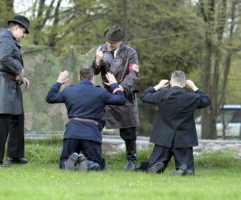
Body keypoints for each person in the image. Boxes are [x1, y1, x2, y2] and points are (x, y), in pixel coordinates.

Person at [46, 68, 126, 171]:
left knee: (63, 162)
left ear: (79, 77)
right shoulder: (101, 92)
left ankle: (68, 162)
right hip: (91, 134)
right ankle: (89, 164)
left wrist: (58, 82)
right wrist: (114, 84)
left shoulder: (69, 91)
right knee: (98, 165)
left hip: (72, 133)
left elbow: (50, 98)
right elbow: (121, 100)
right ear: (93, 78)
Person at [140, 70, 211, 176]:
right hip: (183, 139)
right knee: (187, 168)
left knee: (154, 167)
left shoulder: (162, 95)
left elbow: (144, 96)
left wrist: (158, 85)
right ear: (184, 83)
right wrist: (194, 87)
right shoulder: (191, 98)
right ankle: (184, 170)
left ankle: (156, 166)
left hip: (162, 139)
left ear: (171, 82)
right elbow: (206, 100)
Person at [90, 25, 140, 170]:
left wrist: (119, 87)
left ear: (120, 42)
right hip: (106, 96)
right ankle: (93, 157)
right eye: (107, 42)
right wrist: (98, 60)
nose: (108, 45)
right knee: (95, 126)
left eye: (112, 43)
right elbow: (93, 72)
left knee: (129, 131)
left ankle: (131, 160)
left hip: (124, 94)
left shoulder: (130, 53)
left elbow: (133, 74)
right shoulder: (102, 50)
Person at [0, 15, 31, 167]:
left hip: (11, 81)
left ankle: (15, 155)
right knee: (3, 119)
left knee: (17, 118)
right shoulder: (4, 37)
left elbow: (9, 60)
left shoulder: (10, 39)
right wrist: (20, 70)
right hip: (2, 83)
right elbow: (4, 57)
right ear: (16, 27)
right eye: (24, 32)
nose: (24, 36)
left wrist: (21, 77)